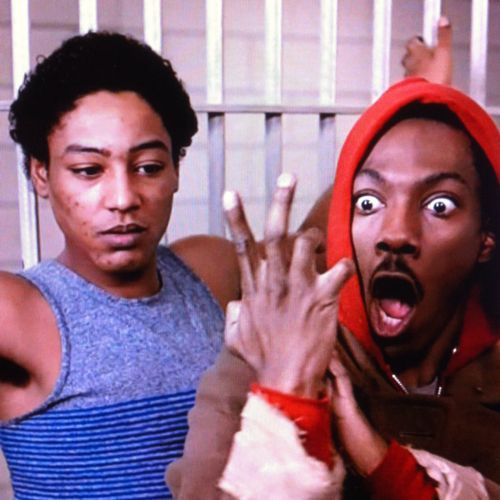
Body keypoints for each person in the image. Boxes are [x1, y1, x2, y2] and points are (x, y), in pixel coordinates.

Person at [167, 76, 500, 499]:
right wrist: (287, 397)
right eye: (368, 202)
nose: (395, 233)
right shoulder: (266, 345)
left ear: (485, 240)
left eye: (439, 205)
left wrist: (379, 459)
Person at [1, 31, 244, 499]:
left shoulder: (211, 270)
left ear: (176, 169)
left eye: (148, 166)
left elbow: (324, 253)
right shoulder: (18, 311)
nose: (123, 198)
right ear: (40, 174)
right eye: (89, 170)